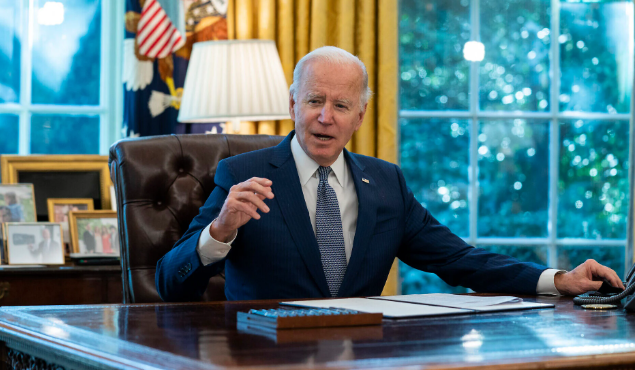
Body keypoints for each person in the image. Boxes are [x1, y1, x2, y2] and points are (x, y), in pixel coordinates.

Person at [156, 46, 624, 302]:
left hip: (364, 355)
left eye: (341, 106)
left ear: (360, 116)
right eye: (315, 101)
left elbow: (461, 260)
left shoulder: (386, 183)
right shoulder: (243, 174)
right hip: (265, 358)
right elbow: (170, 285)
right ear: (293, 104)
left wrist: (558, 279)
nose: (326, 117)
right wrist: (219, 232)